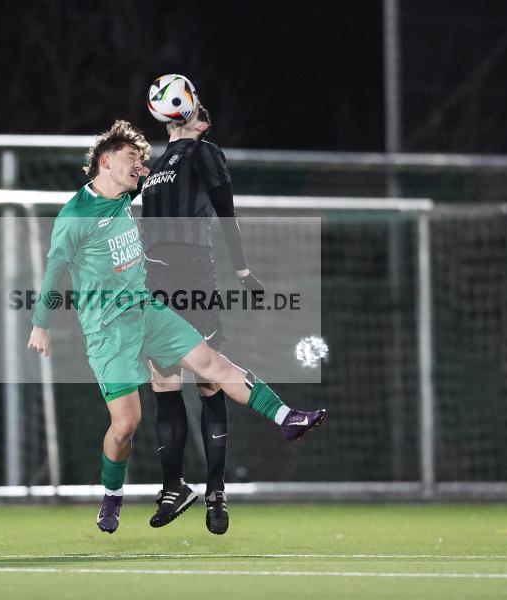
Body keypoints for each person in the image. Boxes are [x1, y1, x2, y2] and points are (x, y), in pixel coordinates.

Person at [27, 120, 326, 535]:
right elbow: (55, 269)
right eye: (132, 159)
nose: (139, 167)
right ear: (105, 161)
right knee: (126, 423)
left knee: (213, 365)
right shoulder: (76, 214)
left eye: (141, 162)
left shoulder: (124, 194)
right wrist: (39, 324)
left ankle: (287, 417)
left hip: (149, 312)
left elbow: (163, 181)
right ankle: (112, 495)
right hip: (107, 330)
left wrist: (177, 151)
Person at [140, 95, 260, 535]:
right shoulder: (153, 169)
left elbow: (225, 211)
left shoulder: (205, 152)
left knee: (208, 380)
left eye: (199, 108)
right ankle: (174, 486)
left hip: (192, 272)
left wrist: (242, 268)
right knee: (162, 379)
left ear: (200, 123)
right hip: (156, 279)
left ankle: (216, 491)